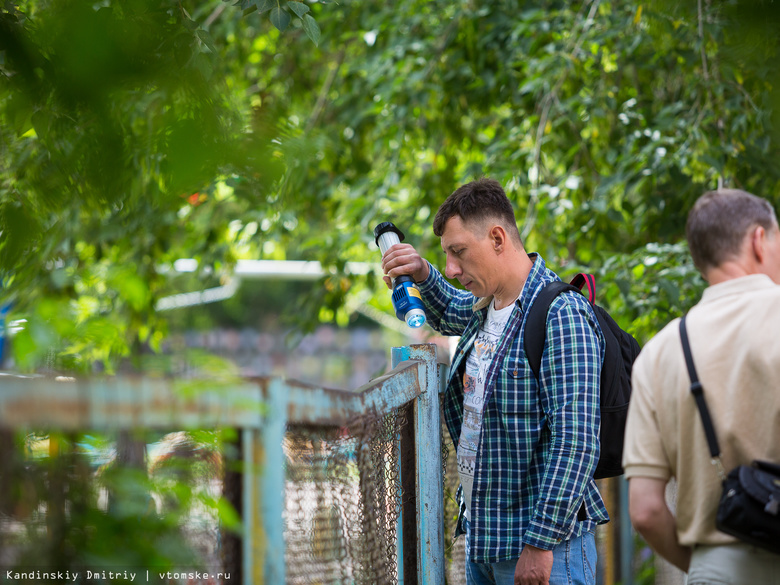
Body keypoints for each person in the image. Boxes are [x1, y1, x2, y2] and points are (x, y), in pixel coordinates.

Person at [381, 178, 608, 585]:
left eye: (459, 252)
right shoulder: (488, 305)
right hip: (485, 544)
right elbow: (451, 306)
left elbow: (576, 441)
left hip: (544, 550)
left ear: (498, 238)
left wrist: (539, 546)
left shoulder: (562, 315)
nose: (452, 268)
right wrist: (420, 273)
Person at [623, 189, 780, 583]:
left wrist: (706, 570)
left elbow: (645, 510)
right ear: (759, 241)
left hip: (716, 570)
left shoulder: (659, 354)